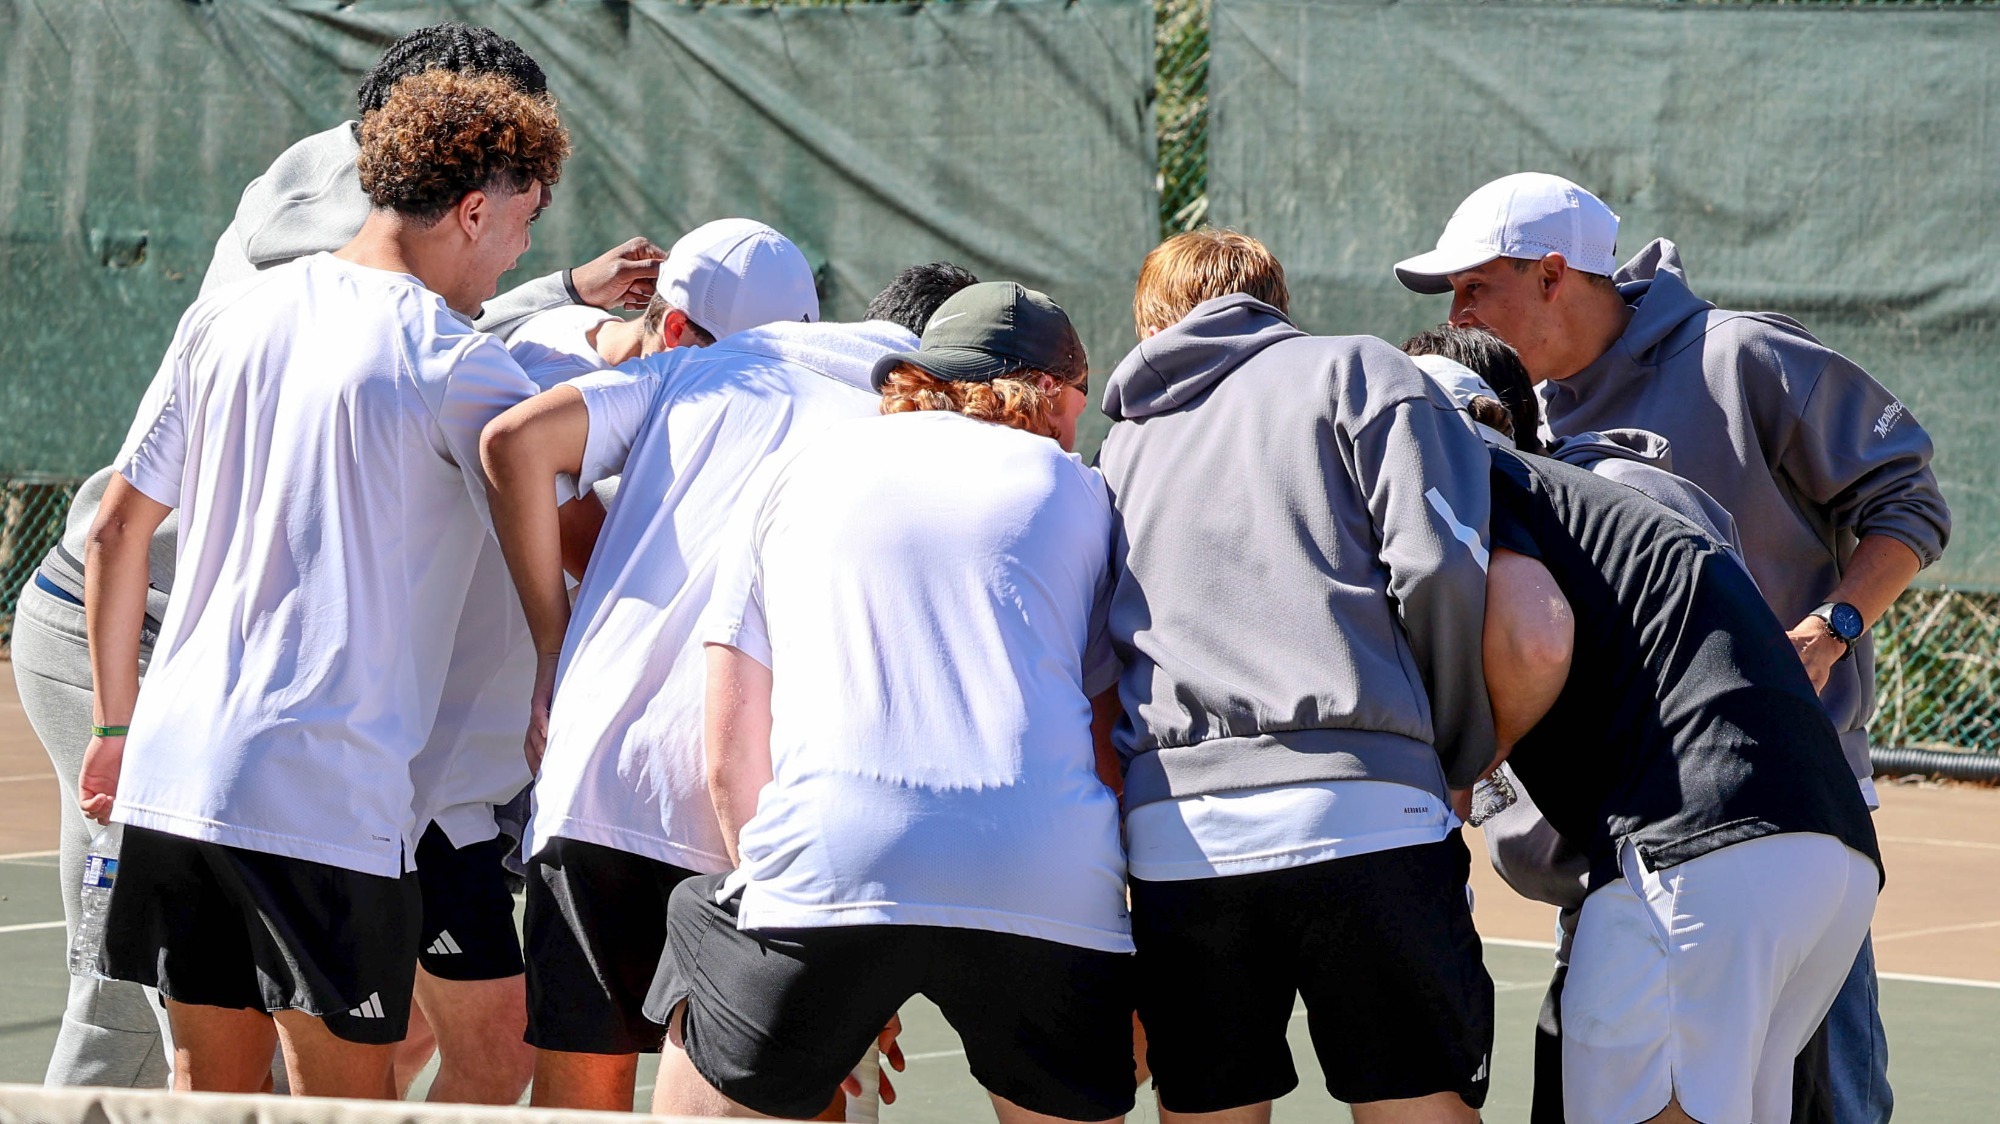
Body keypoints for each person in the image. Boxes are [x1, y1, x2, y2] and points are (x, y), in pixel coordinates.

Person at [9, 23, 653, 1092]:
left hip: (169, 759)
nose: (526, 252)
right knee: (334, 1103)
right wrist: (556, 651)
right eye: (525, 221)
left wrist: (116, 727)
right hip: (319, 789)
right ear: (475, 204)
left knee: (200, 1090)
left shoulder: (229, 319)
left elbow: (116, 525)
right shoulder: (459, 368)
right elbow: (539, 467)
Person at [1396, 171, 1950, 1124]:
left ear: (1554, 274)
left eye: (1473, 286)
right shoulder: (1520, 419)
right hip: (1629, 846)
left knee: (1835, 1104)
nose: (1461, 310)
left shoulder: (1742, 358)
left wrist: (1830, 630)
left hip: (1739, 824)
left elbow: (1911, 503)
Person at [478, 261, 972, 1113]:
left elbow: (514, 443)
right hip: (758, 805)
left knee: (578, 1097)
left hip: (595, 775)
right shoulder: (923, 418)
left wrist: (557, 644)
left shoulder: (707, 367)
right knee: (789, 1096)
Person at [650, 280, 1134, 1124]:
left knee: (705, 922)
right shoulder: (1083, 490)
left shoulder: (795, 471)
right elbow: (1104, 743)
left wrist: (808, 927)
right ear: (1051, 394)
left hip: (832, 857)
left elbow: (730, 754)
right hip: (1046, 873)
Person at [1099, 228, 1497, 1123]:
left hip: (1175, 841)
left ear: (1151, 321)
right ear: (1273, 297)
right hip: (1365, 813)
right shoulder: (1359, 371)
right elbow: (1437, 565)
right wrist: (1455, 746)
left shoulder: (1119, 447)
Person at [1477, 438, 1883, 1124]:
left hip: (1698, 856)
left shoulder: (1476, 479)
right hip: (1829, 849)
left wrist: (1467, 767)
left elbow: (1535, 642)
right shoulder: (1617, 502)